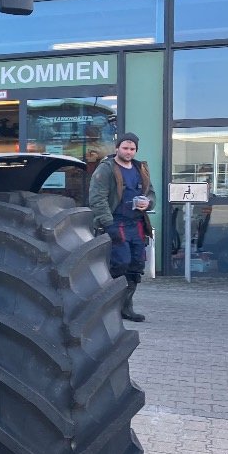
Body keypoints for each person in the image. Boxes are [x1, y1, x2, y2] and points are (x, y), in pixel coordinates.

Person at [88, 132, 155, 322]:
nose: (128, 152)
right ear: (117, 148)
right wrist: (108, 225)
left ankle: (126, 308)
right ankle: (106, 308)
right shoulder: (106, 169)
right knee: (119, 264)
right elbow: (97, 199)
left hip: (137, 225)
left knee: (136, 266)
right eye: (125, 148)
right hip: (115, 224)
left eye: (132, 149)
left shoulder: (140, 168)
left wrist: (148, 203)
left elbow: (151, 193)